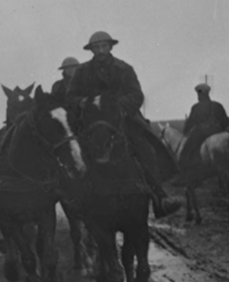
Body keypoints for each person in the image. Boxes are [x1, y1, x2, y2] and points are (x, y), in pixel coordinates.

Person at [66, 30, 180, 218]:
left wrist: (119, 107)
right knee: (71, 150)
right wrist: (83, 103)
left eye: (104, 46)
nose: (101, 50)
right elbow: (70, 97)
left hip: (122, 119)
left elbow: (136, 94)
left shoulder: (124, 69)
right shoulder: (82, 72)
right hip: (91, 121)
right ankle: (75, 199)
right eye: (97, 48)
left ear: (110, 47)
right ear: (92, 50)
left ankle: (159, 196)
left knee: (146, 147)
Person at [180, 83, 229, 169]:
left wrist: (185, 131)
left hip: (201, 132)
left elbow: (190, 122)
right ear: (208, 93)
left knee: (187, 149)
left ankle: (183, 172)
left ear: (199, 94)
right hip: (218, 130)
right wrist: (221, 129)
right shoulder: (218, 105)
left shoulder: (196, 107)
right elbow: (226, 121)